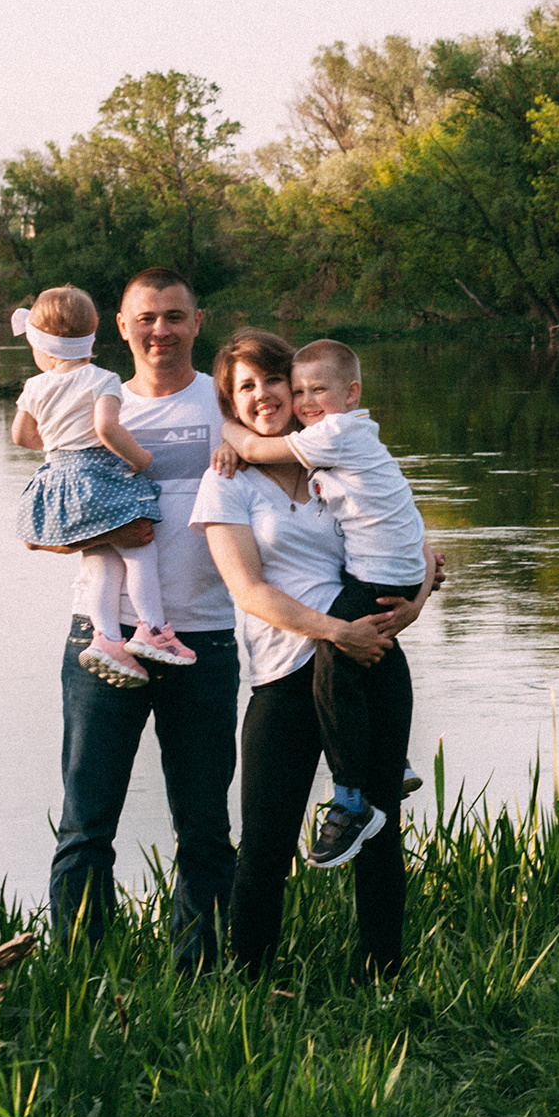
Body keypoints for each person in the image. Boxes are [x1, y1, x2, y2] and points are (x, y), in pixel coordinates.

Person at [194, 328, 443, 980]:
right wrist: (336, 632)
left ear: (294, 386)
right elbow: (249, 592)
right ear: (232, 403)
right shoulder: (227, 484)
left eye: (271, 381)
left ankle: (384, 975)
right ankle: (248, 987)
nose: (263, 396)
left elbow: (410, 542)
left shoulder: (334, 455)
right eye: (243, 388)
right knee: (266, 847)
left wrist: (413, 604)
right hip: (286, 674)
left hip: (370, 664)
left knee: (379, 833)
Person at [47, 267, 240, 972]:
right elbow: (44, 524)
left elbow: (311, 489)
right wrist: (101, 535)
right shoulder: (94, 403)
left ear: (198, 322)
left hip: (204, 638)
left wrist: (411, 552)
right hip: (104, 641)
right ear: (121, 329)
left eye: (175, 316)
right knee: (86, 825)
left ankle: (201, 975)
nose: (161, 330)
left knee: (205, 827)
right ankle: (77, 975)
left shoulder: (231, 406)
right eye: (147, 318)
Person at [10, 285, 197, 688]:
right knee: (139, 550)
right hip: (99, 475)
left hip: (59, 476)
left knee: (101, 560)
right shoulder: (102, 379)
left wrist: (58, 448)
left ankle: (107, 638)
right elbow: (106, 428)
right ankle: (151, 627)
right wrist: (141, 459)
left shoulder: (35, 387)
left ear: (42, 347)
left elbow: (22, 436)